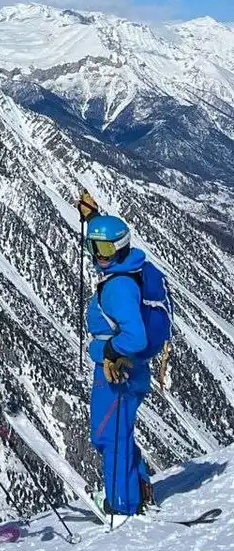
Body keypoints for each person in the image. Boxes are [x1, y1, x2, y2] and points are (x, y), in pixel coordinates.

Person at [85, 213, 170, 516]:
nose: (98, 256)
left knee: (108, 436)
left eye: (105, 250)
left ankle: (121, 505)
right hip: (135, 370)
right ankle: (139, 491)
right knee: (120, 432)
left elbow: (134, 337)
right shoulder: (133, 269)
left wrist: (108, 348)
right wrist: (93, 218)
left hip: (116, 370)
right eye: (93, 247)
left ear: (120, 247)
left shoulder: (118, 287)